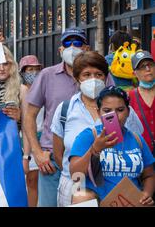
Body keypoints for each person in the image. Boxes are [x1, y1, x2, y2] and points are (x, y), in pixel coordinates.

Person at [23, 28, 115, 207]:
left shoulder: (103, 76)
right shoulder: (47, 76)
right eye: (67, 43)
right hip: (51, 162)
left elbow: (115, 106)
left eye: (78, 43)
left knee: (83, 203)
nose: (72, 47)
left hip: (91, 163)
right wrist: (37, 153)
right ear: (60, 50)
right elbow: (29, 116)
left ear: (86, 48)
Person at [51, 51, 143, 207]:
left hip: (118, 188)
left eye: (98, 74)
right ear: (77, 78)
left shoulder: (126, 111)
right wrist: (80, 177)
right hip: (77, 184)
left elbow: (136, 144)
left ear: (106, 77)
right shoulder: (65, 110)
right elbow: (58, 154)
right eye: (86, 74)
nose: (93, 79)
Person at [70, 86, 155, 205]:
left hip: (130, 203)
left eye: (120, 110)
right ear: (99, 112)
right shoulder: (88, 136)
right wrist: (95, 149)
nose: (114, 115)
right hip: (96, 202)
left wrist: (145, 195)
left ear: (128, 112)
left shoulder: (137, 139)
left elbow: (149, 175)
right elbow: (75, 174)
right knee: (80, 197)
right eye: (107, 111)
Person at [19, 55, 43, 207]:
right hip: (26, 142)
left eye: (36, 69)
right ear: (22, 72)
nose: (33, 73)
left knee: (42, 180)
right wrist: (26, 155)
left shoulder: (44, 90)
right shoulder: (20, 92)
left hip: (44, 140)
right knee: (31, 180)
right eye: (30, 69)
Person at [129, 51, 155, 154]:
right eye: (142, 66)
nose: (148, 69)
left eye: (150, 65)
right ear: (134, 73)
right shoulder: (128, 97)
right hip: (141, 155)